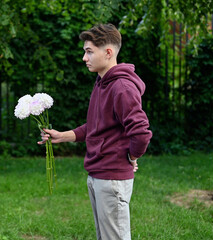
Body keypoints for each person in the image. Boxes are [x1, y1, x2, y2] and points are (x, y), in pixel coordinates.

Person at [38, 23, 152, 240]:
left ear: (108, 53)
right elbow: (96, 126)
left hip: (112, 177)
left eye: (89, 51)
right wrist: (63, 136)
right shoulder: (102, 83)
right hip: (98, 174)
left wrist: (132, 156)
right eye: (85, 51)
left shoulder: (121, 88)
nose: (84, 57)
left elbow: (141, 132)